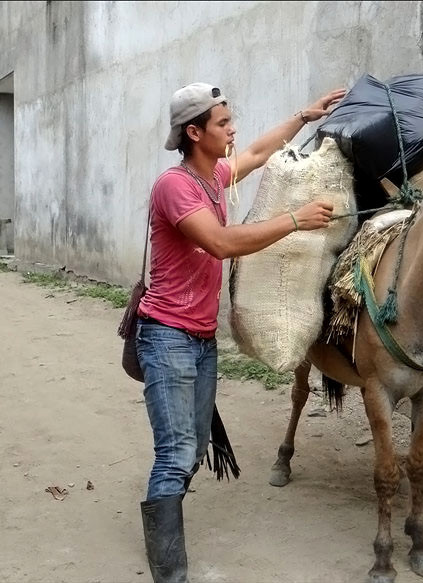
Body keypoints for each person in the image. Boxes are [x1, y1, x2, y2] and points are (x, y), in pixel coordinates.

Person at [135, 82, 345, 583]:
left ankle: (166, 524)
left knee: (188, 445)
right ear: (194, 132)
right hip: (165, 336)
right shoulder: (175, 186)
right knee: (177, 451)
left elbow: (256, 152)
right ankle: (169, 569)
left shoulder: (215, 176)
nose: (234, 130)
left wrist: (304, 115)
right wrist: (294, 219)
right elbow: (223, 244)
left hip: (200, 339)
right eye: (223, 123)